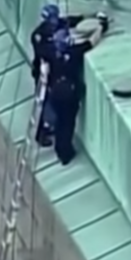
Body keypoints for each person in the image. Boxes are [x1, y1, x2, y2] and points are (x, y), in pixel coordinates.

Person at [46, 12, 110, 165]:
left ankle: (60, 149)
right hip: (68, 95)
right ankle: (65, 153)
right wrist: (100, 27)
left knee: (60, 122)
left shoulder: (51, 53)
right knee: (68, 124)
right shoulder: (73, 54)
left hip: (55, 92)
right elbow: (91, 42)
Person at [31, 5, 86, 147]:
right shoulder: (38, 35)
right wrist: (61, 45)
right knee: (44, 103)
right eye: (52, 19)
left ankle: (52, 126)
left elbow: (68, 21)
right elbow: (45, 53)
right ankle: (40, 133)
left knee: (52, 103)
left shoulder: (58, 25)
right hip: (43, 74)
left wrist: (84, 19)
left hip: (54, 71)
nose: (55, 21)